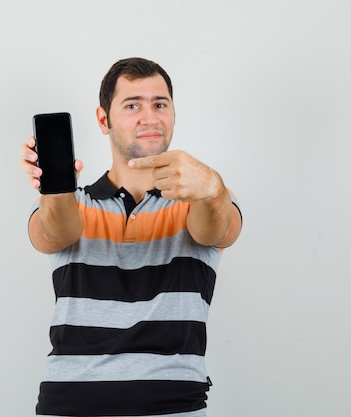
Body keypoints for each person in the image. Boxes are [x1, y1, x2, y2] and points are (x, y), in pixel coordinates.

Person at [18, 57, 242, 417]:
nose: (150, 117)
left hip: (172, 408)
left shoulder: (204, 198)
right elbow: (54, 233)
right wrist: (55, 187)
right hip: (69, 405)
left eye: (160, 104)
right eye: (132, 105)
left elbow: (217, 229)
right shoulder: (72, 204)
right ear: (104, 120)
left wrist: (212, 188)